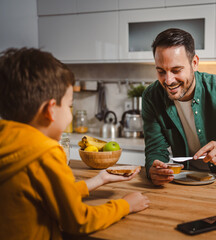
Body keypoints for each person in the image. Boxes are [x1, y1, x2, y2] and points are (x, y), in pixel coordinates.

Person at [0, 48, 150, 239]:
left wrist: (98, 180)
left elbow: (47, 193)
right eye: (70, 105)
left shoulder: (8, 142)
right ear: (50, 110)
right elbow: (78, 220)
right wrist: (125, 205)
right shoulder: (46, 153)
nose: (71, 112)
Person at [142, 28, 216, 186]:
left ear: (194, 63)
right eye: (161, 71)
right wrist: (154, 169)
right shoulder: (152, 97)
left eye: (176, 70)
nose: (168, 80)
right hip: (183, 182)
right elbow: (155, 149)